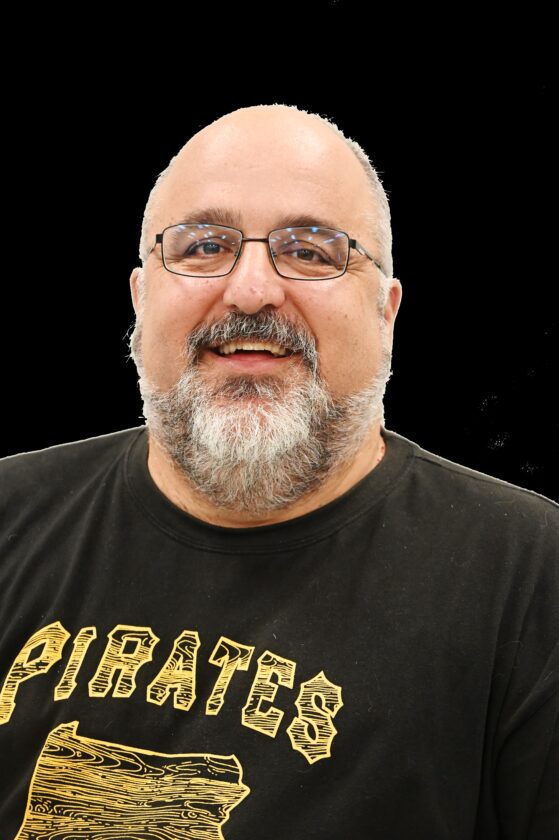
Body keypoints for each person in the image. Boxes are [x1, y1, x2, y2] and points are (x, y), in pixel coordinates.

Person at [0, 103, 556, 840]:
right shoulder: (8, 514)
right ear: (140, 299)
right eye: (204, 246)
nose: (251, 290)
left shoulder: (530, 573)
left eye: (312, 252)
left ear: (386, 313)